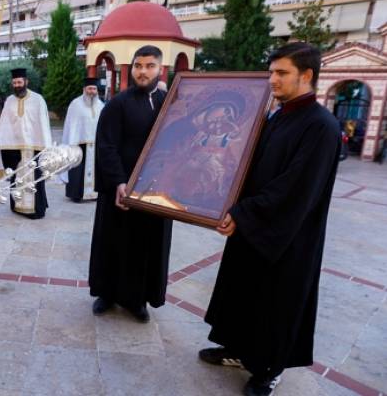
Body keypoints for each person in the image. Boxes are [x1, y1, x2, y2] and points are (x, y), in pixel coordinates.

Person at [200, 42, 341, 396]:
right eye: (271, 71)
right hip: (252, 224)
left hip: (287, 235)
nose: (272, 79)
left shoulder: (321, 126)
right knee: (243, 292)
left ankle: (269, 369)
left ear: (307, 76)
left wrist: (243, 212)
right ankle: (236, 350)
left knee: (276, 303)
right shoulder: (277, 115)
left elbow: (295, 188)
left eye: (281, 73)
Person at [89, 45, 172, 323]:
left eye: (149, 66)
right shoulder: (117, 104)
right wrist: (118, 182)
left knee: (146, 246)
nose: (143, 71)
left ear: (160, 68)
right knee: (114, 243)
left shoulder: (170, 103)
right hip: (121, 191)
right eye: (138, 66)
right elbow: (107, 146)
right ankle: (107, 293)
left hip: (156, 192)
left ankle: (138, 300)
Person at [0, 67, 52, 219]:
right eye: (14, 83)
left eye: (19, 82)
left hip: (34, 147)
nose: (17, 85)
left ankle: (37, 208)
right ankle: (17, 206)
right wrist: (3, 144)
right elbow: (4, 125)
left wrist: (45, 145)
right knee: (17, 177)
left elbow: (43, 124)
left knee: (35, 179)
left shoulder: (38, 99)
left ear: (26, 82)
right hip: (15, 148)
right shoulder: (9, 101)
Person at [61, 77, 104, 202]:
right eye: (89, 88)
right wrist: (72, 142)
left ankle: (94, 193)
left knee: (96, 170)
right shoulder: (75, 104)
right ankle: (76, 194)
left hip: (95, 144)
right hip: (78, 143)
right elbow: (71, 126)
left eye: (94, 88)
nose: (92, 91)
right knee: (77, 170)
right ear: (84, 89)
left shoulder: (100, 105)